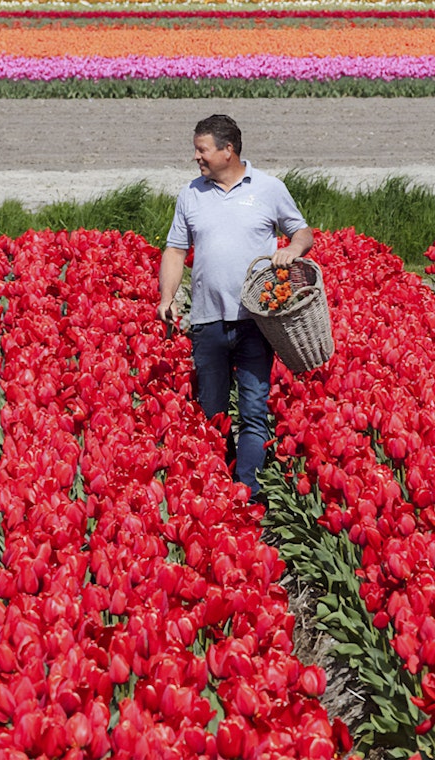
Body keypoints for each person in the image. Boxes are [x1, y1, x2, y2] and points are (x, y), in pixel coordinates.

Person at [157, 114, 314, 502]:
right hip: (207, 320)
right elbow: (175, 249)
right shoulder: (191, 194)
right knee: (212, 411)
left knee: (253, 411)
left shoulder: (267, 188)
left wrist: (292, 249)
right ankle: (215, 488)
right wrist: (166, 297)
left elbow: (301, 230)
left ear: (229, 151)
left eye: (202, 149)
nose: (196, 157)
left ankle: (249, 494)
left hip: (255, 321)